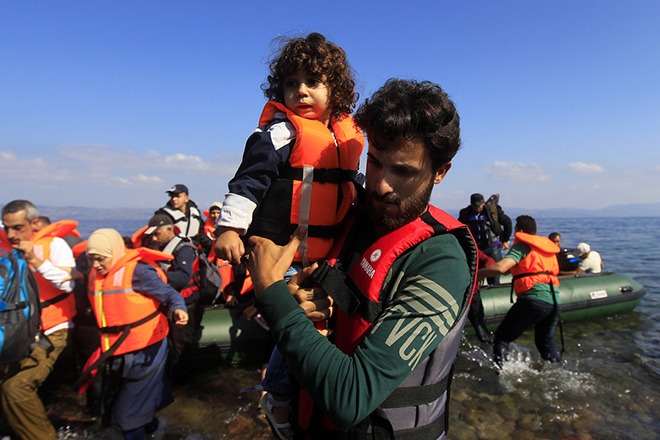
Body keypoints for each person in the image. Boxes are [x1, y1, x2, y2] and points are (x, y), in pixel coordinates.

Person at [247, 79, 477, 439]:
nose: (381, 184)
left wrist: (270, 291)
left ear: (440, 172)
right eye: (374, 162)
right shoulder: (356, 217)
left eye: (403, 171)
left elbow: (350, 398)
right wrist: (299, 300)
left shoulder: (441, 262)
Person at [213, 32, 365, 438]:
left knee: (318, 327)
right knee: (295, 326)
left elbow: (351, 188)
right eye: (290, 83)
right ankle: (277, 395)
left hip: (319, 257)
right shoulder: (281, 132)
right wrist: (230, 228)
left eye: (313, 82)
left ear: (335, 90)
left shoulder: (342, 137)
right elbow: (249, 179)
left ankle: (301, 393)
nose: (300, 91)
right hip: (280, 255)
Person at [83, 228, 188, 440]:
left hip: (146, 351)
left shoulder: (137, 272)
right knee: (113, 408)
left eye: (100, 259)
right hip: (116, 350)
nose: (95, 265)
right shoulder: (98, 273)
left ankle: (141, 430)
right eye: (91, 259)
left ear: (113, 253)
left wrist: (179, 308)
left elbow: (169, 293)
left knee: (127, 417)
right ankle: (153, 428)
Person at [0, 200, 77, 440]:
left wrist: (35, 260)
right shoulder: (3, 249)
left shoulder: (54, 245)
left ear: (34, 224)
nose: (11, 234)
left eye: (17, 228)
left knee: (16, 388)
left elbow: (68, 283)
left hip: (50, 331)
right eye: (6, 228)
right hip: (12, 331)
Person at [478, 215, 561, 366]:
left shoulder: (523, 246)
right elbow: (517, 270)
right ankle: (558, 369)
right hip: (554, 301)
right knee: (545, 343)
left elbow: (501, 267)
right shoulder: (545, 249)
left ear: (518, 230)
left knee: (502, 338)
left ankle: (501, 374)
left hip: (534, 299)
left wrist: (477, 274)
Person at [143, 214, 202, 380]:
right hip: (168, 301)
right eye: (152, 235)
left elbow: (184, 277)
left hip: (187, 303)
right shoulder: (158, 246)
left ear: (169, 230)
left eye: (157, 234)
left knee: (181, 344)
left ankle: (182, 379)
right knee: (170, 343)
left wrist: (155, 278)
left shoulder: (184, 249)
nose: (154, 238)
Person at [458, 192, 512, 262]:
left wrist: (505, 240)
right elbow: (460, 228)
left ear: (483, 203)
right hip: (475, 249)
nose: (477, 208)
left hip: (492, 247)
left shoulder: (493, 211)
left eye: (479, 206)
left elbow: (507, 222)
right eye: (475, 206)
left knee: (495, 269)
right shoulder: (465, 213)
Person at [155, 184, 209, 250]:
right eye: (172, 196)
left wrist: (212, 246)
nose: (174, 199)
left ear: (186, 199)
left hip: (193, 251)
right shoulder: (162, 215)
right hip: (172, 252)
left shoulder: (195, 213)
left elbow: (201, 235)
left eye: (177, 196)